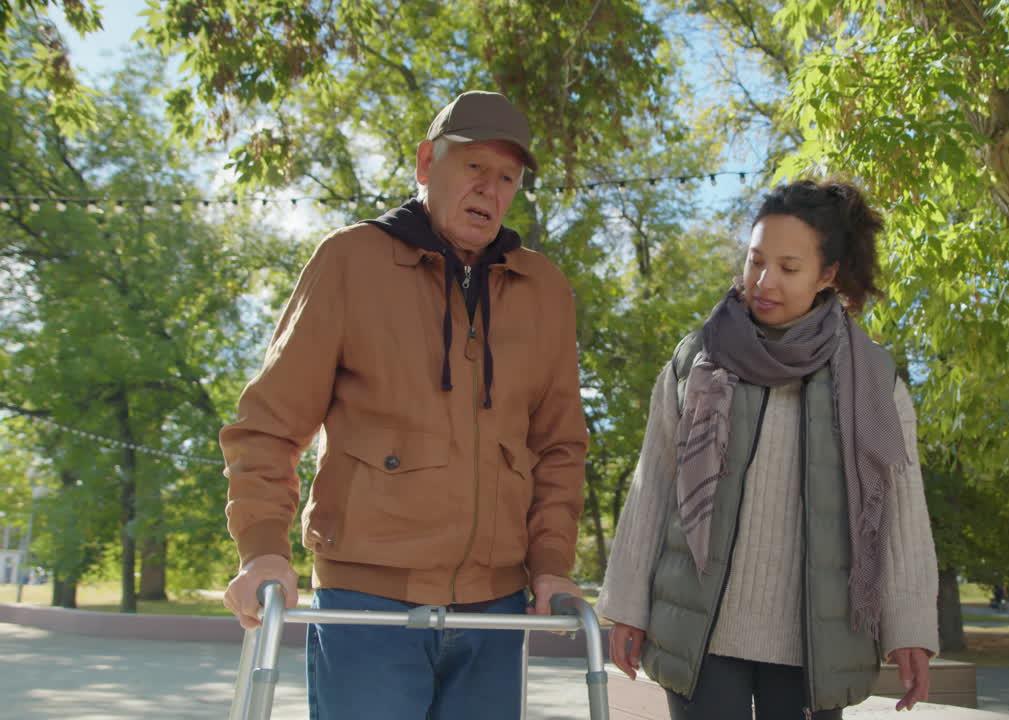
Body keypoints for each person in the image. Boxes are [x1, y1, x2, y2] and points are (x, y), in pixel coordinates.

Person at [219, 90, 588, 719]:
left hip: (496, 609)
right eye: (474, 168)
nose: (489, 191)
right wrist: (263, 549)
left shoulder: (543, 289)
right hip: (367, 602)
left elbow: (558, 446)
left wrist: (550, 565)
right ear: (425, 164)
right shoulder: (350, 261)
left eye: (507, 178)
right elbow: (268, 425)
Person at [597, 180, 939, 719]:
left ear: (828, 275)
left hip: (816, 644)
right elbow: (654, 485)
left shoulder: (873, 379)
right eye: (756, 260)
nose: (764, 281)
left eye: (788, 266)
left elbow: (900, 505)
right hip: (699, 637)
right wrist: (627, 609)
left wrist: (911, 626)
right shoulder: (697, 360)